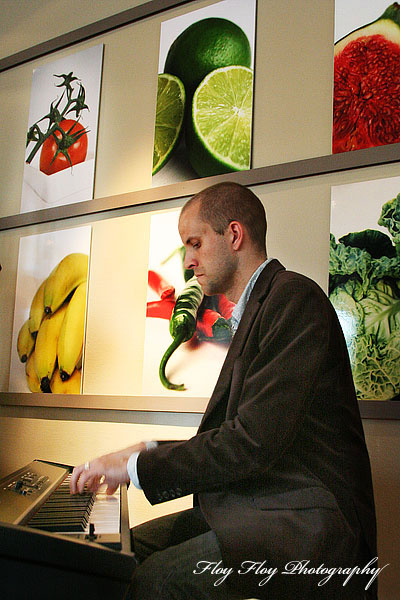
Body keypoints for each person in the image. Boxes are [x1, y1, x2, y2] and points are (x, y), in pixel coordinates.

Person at [70, 182, 377, 599]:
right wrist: (142, 450)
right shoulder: (257, 310)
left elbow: (251, 442)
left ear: (234, 235)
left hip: (307, 523)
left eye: (194, 243)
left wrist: (139, 469)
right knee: (120, 555)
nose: (188, 261)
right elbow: (239, 432)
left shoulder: (293, 297)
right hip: (260, 505)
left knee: (153, 580)